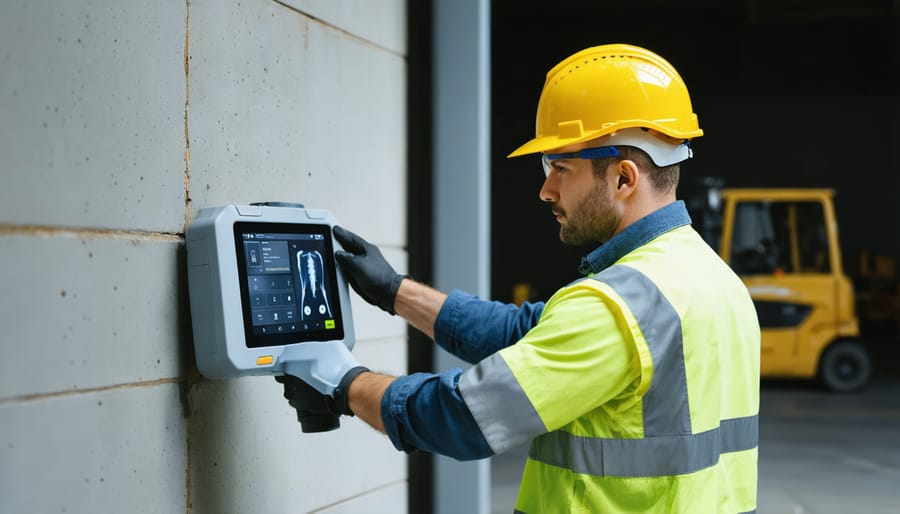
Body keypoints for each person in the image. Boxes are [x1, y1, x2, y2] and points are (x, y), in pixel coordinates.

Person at [277, 43, 761, 513]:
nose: (545, 190)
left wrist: (340, 380)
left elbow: (463, 417)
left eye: (561, 168)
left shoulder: (620, 306)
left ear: (623, 178)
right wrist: (394, 291)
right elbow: (524, 334)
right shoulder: (712, 280)